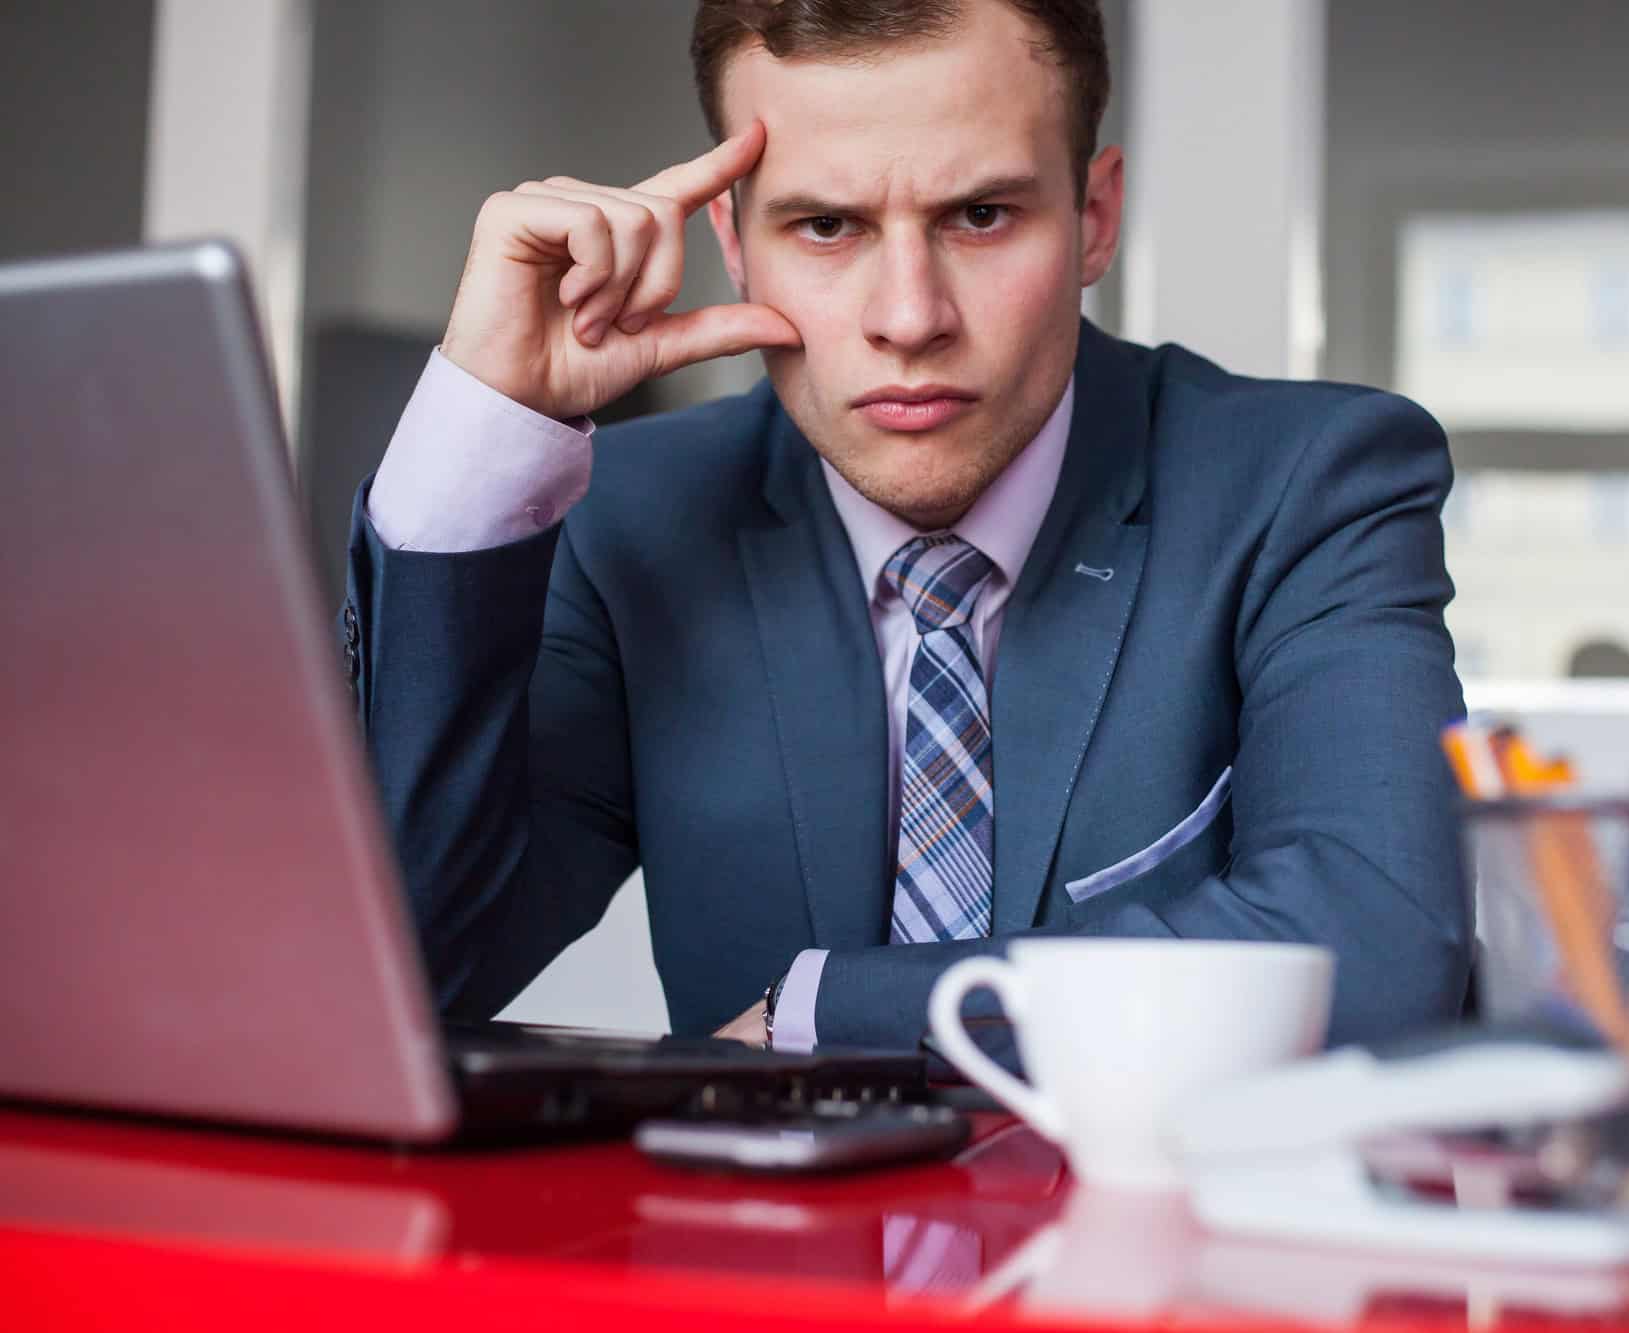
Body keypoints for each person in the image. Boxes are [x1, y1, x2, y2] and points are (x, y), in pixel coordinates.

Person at [342, 0, 1470, 1054]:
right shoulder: (630, 520)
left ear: (1093, 218)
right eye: (826, 226)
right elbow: (394, 977)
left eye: (979, 216)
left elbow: (1374, 951)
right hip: (762, 1270)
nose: (908, 317)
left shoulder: (1309, 486)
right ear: (733, 247)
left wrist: (830, 1010)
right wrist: (483, 431)